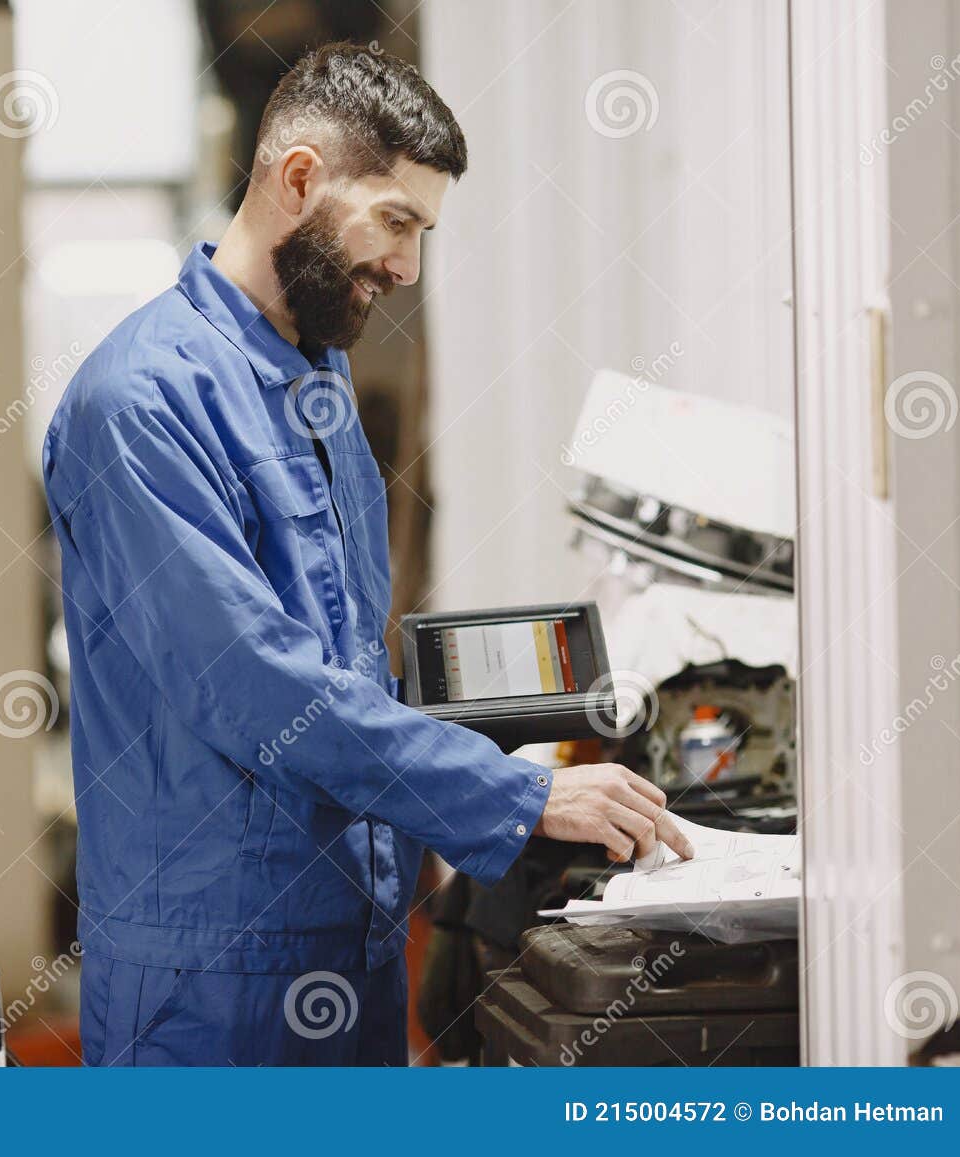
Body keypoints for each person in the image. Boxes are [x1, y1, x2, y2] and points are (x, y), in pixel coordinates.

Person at [41, 41, 692, 1067]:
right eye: (395, 220)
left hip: (353, 935)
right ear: (298, 179)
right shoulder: (138, 400)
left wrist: (518, 735)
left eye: (422, 231)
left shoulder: (318, 376)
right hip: (212, 979)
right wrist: (514, 798)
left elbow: (341, 662)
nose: (407, 267)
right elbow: (256, 685)